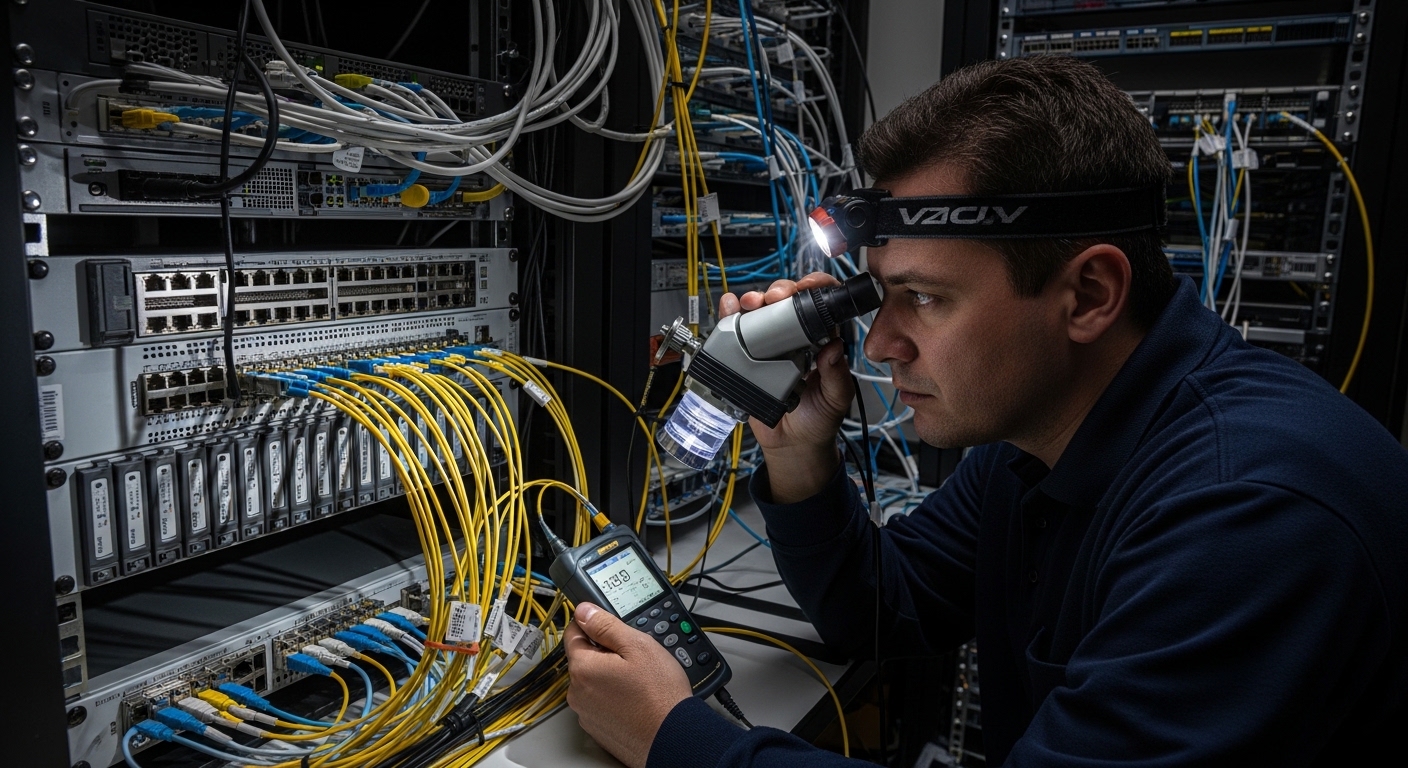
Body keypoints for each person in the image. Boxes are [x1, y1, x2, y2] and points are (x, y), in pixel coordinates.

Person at [562, 56, 1408, 768]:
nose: (883, 344)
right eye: (878, 298)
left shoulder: (1251, 515)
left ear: (1090, 293)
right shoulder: (1045, 438)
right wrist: (797, 447)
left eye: (924, 299)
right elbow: (884, 607)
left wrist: (675, 738)